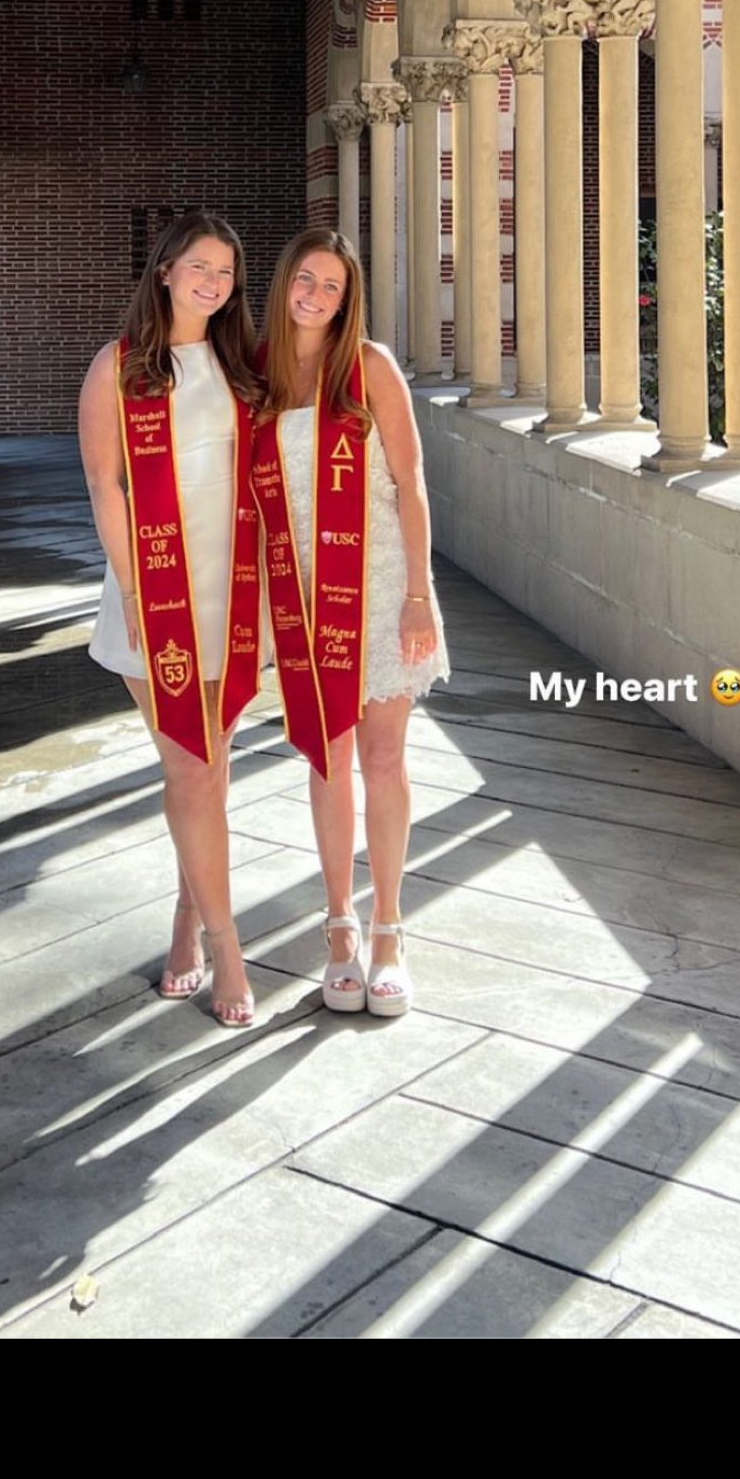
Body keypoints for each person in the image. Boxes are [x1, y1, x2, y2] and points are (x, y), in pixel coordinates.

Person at [252, 227, 448, 1017]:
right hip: (302, 591)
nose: (317, 296)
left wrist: (419, 592)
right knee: (326, 758)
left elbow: (411, 481)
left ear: (347, 298)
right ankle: (340, 929)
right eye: (306, 279)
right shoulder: (256, 372)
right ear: (284, 282)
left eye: (332, 286)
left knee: (385, 759)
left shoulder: (369, 366)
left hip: (382, 583)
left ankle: (390, 931)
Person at [79, 210, 264, 1027]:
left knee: (211, 774)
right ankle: (227, 948)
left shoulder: (241, 367)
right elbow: (106, 486)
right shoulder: (119, 368)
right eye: (199, 266)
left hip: (233, 593)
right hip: (154, 593)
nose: (212, 282)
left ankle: (187, 923)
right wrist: (133, 592)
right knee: (191, 769)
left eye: (225, 271)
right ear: (164, 271)